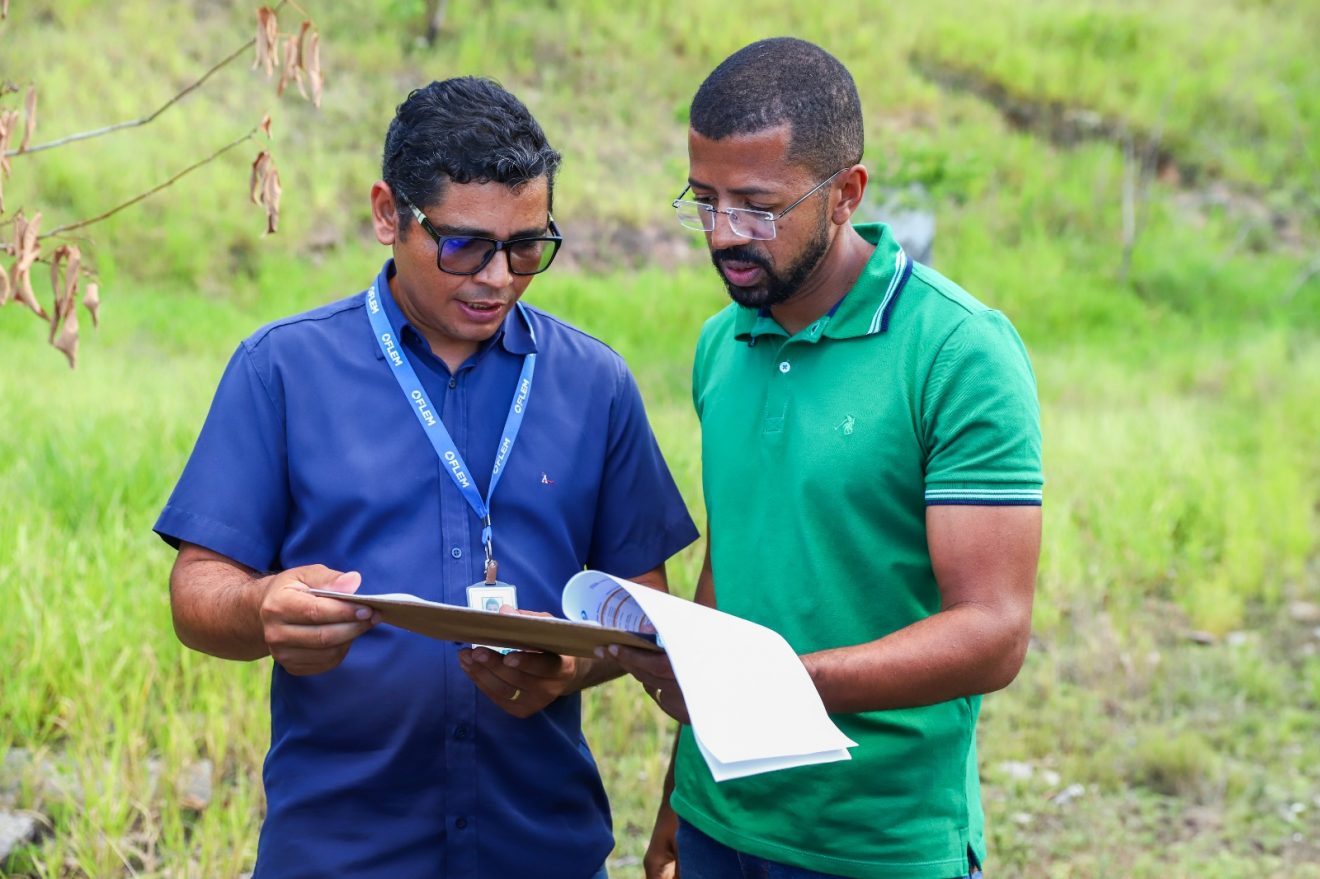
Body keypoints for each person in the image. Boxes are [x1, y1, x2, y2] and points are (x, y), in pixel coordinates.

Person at [155, 77, 698, 879]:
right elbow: (197, 590)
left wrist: (574, 665)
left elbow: (640, 603)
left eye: (526, 247)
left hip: (539, 847)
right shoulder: (282, 370)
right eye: (464, 246)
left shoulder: (595, 382)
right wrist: (262, 608)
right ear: (387, 214)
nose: (497, 278)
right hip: (341, 852)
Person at [610, 38, 1043, 879]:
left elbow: (994, 633)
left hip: (875, 842)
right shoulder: (721, 342)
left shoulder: (957, 352)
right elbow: (732, 571)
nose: (724, 234)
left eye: (757, 206)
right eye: (703, 200)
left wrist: (777, 683)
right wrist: (677, 792)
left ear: (847, 193)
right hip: (717, 821)